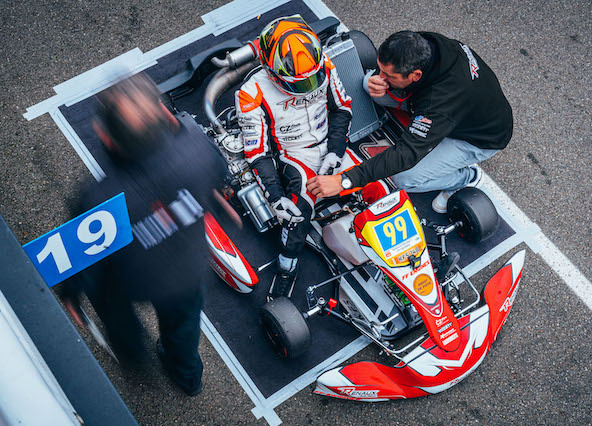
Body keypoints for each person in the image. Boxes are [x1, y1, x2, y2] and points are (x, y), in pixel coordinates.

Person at [62, 73, 229, 396]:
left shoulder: (97, 199)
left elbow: (78, 255)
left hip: (129, 280)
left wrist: (71, 294)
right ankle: (187, 378)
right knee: (184, 329)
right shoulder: (199, 152)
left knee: (112, 306)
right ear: (165, 118)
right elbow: (219, 176)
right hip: (185, 272)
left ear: (106, 138)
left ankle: (133, 356)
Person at [307, 30, 513, 213]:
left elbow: (405, 155)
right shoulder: (426, 44)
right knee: (366, 85)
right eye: (380, 70)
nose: (381, 77)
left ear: (416, 75)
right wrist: (376, 80)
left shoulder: (439, 103)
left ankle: (466, 178)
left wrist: (344, 180)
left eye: (388, 75)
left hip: (478, 138)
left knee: (404, 178)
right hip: (451, 107)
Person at [235, 15, 352, 301]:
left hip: (333, 146)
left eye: (313, 79)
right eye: (299, 83)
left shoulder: (322, 62)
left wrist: (336, 151)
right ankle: (287, 267)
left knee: (383, 189)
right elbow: (258, 153)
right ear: (271, 70)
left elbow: (343, 109)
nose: (310, 86)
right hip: (296, 157)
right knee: (296, 216)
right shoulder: (250, 93)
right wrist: (276, 198)